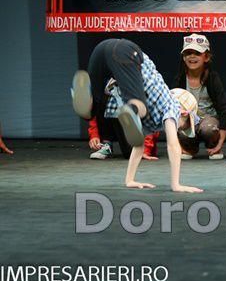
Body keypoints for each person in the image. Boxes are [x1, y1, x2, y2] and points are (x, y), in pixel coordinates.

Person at [71, 38, 202, 192]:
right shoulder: (172, 106)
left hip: (100, 52)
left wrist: (130, 180)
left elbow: (138, 147)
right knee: (139, 106)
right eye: (183, 126)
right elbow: (173, 145)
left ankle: (86, 102)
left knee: (92, 109)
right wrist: (176, 184)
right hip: (126, 51)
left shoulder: (152, 123)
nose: (178, 129)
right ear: (184, 113)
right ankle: (131, 110)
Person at [173, 34, 226, 160]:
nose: (192, 56)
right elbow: (171, 108)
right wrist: (178, 145)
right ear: (183, 57)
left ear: (207, 57)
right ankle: (189, 147)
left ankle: (213, 146)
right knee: (178, 122)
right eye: (188, 53)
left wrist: (220, 144)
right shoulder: (180, 78)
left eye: (197, 53)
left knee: (208, 129)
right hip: (188, 121)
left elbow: (224, 111)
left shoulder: (213, 78)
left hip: (208, 121)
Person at [87, 116, 159, 160]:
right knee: (106, 100)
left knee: (130, 154)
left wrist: (145, 149)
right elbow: (95, 110)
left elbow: (149, 122)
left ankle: (140, 147)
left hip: (136, 135)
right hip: (115, 125)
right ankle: (106, 144)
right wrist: (94, 135)